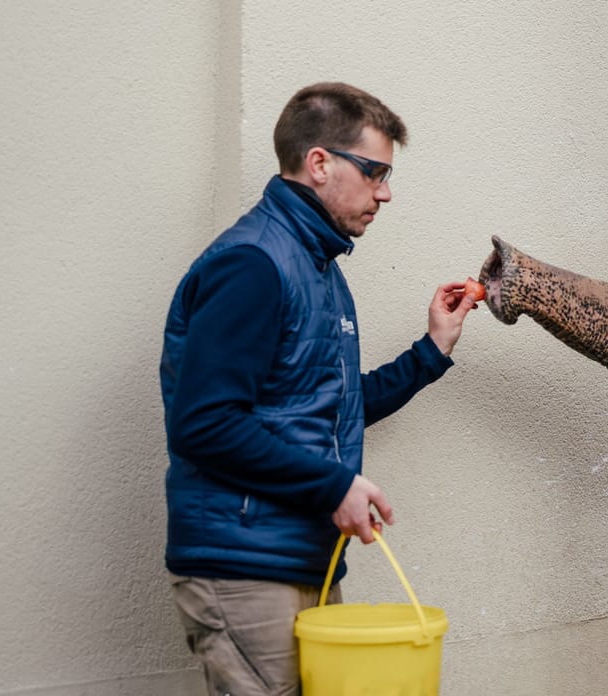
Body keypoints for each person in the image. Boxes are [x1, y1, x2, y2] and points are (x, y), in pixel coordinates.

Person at [159, 82, 479, 695]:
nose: (385, 191)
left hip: (302, 559)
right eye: (375, 171)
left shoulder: (319, 267)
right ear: (320, 162)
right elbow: (205, 422)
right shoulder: (252, 262)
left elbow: (330, 407)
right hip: (246, 568)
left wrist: (431, 351)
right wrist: (334, 484)